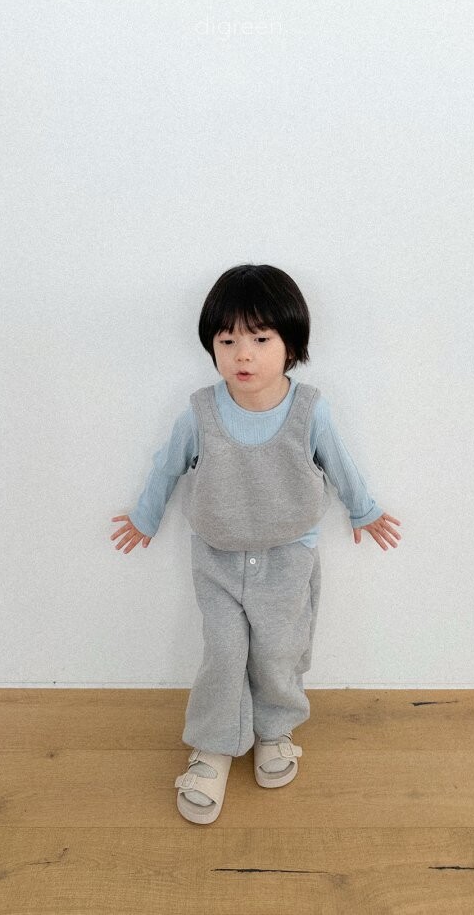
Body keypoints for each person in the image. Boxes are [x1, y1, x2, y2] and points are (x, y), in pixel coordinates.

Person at [110, 263, 401, 824]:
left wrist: (364, 509)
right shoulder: (200, 411)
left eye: (260, 339)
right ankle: (214, 746)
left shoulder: (310, 409)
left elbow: (339, 463)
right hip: (216, 559)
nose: (243, 355)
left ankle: (274, 730)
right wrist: (144, 516)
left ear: (291, 343)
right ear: (212, 346)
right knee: (223, 653)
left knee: (278, 651)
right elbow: (167, 466)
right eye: (227, 341)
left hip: (288, 558)